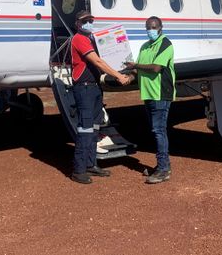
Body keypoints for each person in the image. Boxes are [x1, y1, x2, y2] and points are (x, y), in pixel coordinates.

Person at [69, 10, 132, 184]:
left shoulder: (90, 39)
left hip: (95, 88)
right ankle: (79, 169)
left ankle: (91, 164)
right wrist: (119, 76)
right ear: (78, 24)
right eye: (85, 21)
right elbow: (98, 61)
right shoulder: (79, 39)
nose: (89, 23)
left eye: (91, 20)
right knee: (86, 128)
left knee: (95, 128)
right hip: (85, 89)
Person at [124, 16, 175, 184]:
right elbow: (137, 69)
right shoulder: (144, 47)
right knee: (156, 130)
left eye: (153, 27)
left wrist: (135, 66)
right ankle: (162, 165)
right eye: (147, 27)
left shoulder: (165, 44)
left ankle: (163, 169)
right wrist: (128, 77)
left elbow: (155, 68)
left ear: (160, 27)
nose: (150, 30)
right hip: (148, 94)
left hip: (160, 94)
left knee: (159, 131)